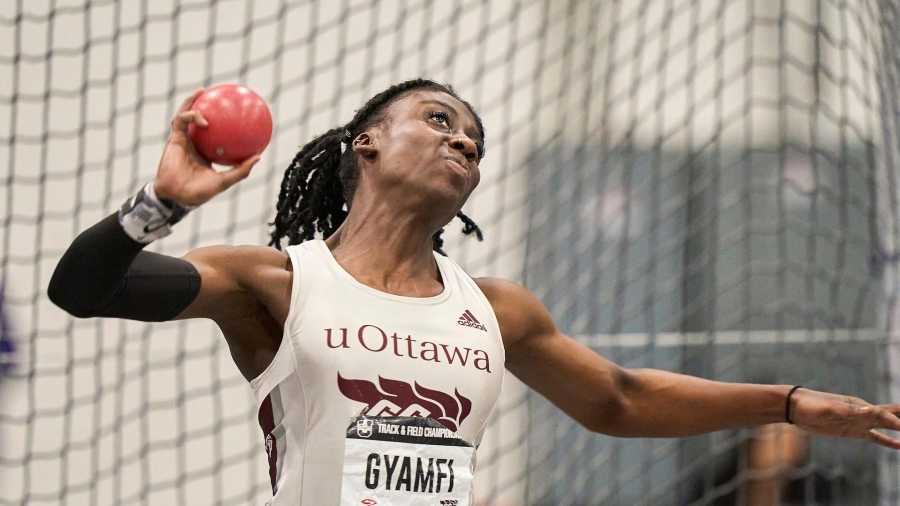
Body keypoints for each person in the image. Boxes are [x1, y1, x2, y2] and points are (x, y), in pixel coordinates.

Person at [47, 79, 900, 506]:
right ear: (367, 143)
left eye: (476, 140)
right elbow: (82, 290)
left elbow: (617, 398)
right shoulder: (271, 281)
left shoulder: (494, 308)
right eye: (439, 121)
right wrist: (160, 205)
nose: (463, 142)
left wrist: (787, 405)